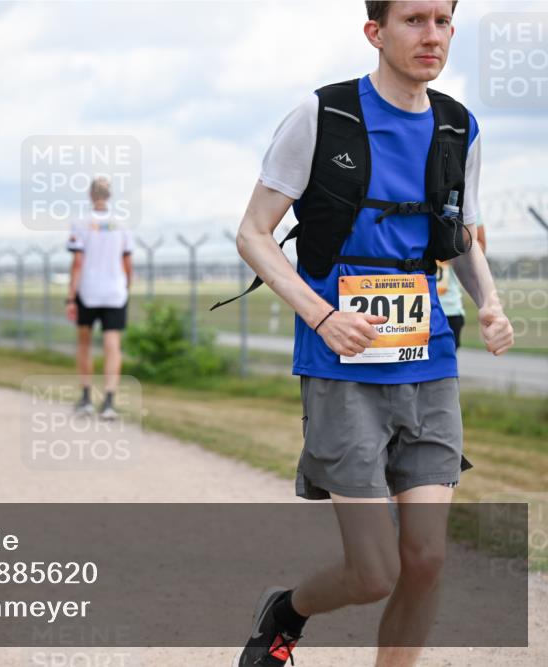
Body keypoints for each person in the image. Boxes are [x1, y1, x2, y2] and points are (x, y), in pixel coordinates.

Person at [226, 3, 514, 666]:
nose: (432, 35)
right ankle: (287, 611)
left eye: (444, 21)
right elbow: (253, 233)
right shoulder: (321, 116)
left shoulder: (458, 127)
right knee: (375, 569)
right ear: (375, 32)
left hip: (429, 362)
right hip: (342, 367)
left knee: (427, 557)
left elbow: (459, 235)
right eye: (414, 20)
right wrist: (321, 315)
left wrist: (491, 301)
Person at [65, 176, 133, 420]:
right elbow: (127, 262)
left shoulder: (81, 223)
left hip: (88, 290)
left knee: (84, 343)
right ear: (110, 195)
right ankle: (109, 401)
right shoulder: (122, 224)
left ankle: (85, 398)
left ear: (91, 195)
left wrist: (71, 297)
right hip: (115, 291)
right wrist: (127, 287)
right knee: (112, 346)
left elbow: (77, 262)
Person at [437, 219, 487, 349]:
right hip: (410, 305)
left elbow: (479, 245)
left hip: (448, 308)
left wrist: (451, 246)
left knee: (444, 367)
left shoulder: (465, 201)